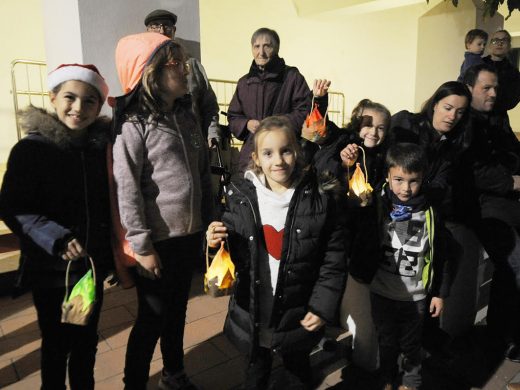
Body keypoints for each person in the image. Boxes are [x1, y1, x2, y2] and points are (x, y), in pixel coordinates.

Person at [206, 116, 346, 389]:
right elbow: (230, 251)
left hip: (297, 311)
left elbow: (334, 258)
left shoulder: (318, 198)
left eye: (286, 150)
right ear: (256, 158)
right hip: (255, 310)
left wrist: (322, 306)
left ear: (298, 152)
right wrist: (214, 243)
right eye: (268, 153)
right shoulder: (241, 196)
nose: (278, 160)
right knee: (256, 373)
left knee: (297, 373)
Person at [0, 64, 113, 389]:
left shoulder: (98, 151)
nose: (78, 107)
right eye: (69, 97)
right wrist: (57, 238)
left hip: (86, 274)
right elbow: (15, 208)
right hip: (51, 274)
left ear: (99, 106)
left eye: (89, 100)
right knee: (56, 344)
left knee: (84, 342)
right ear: (52, 97)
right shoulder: (31, 151)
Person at [111, 32, 212, 390]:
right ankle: (134, 383)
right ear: (150, 73)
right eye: (176, 62)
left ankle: (174, 373)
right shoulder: (133, 126)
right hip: (156, 243)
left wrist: (208, 219)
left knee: (177, 312)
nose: (186, 69)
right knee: (151, 318)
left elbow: (200, 174)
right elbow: (128, 190)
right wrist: (141, 246)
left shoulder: (186, 117)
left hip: (187, 235)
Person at [363, 143, 452, 390]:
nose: (406, 188)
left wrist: (439, 294)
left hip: (415, 298)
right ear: (388, 176)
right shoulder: (378, 205)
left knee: (412, 346)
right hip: (381, 293)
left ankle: (412, 384)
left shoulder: (430, 212)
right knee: (386, 343)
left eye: (413, 181)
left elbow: (441, 255)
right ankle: (388, 379)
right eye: (399, 179)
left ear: (423, 178)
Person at [463, 63, 520, 363]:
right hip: (483, 204)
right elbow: (473, 171)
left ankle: (504, 331)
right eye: (486, 87)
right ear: (470, 87)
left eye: (495, 87)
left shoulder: (498, 116)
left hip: (507, 197)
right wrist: (511, 180)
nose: (493, 93)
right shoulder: (463, 119)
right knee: (515, 261)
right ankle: (501, 338)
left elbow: (513, 151)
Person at [335, 99, 391, 381]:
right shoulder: (346, 148)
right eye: (368, 124)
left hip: (368, 239)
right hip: (344, 233)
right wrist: (345, 164)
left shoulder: (384, 157)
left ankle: (364, 356)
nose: (374, 132)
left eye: (381, 127)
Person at [227, 27, 312, 174]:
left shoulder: (292, 77)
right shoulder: (244, 83)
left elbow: (305, 111)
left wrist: (275, 125)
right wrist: (246, 124)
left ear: (277, 48)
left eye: (267, 46)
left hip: (282, 156)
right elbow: (234, 116)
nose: (261, 52)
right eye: (256, 47)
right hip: (251, 156)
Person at [144, 9, 220, 144]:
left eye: (166, 25)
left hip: (193, 144)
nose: (162, 31)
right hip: (156, 145)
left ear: (174, 30)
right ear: (147, 31)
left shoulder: (192, 66)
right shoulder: (142, 68)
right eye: (156, 25)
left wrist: (212, 132)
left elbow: (209, 105)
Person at [482, 29, 520, 115]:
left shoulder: (513, 72)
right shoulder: (479, 64)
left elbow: (513, 99)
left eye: (504, 40)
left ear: (509, 45)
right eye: (495, 40)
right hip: (475, 117)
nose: (500, 43)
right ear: (490, 45)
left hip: (498, 119)